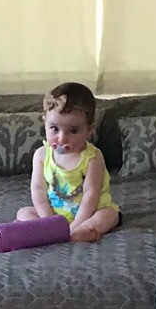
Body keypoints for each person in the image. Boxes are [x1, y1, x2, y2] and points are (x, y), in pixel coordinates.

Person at [19, 81, 121, 244]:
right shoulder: (41, 155)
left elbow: (91, 195)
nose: (61, 138)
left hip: (88, 213)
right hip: (54, 213)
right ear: (44, 122)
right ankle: (48, 231)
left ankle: (81, 232)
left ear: (89, 130)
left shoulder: (93, 158)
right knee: (23, 213)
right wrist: (48, 220)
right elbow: (38, 189)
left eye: (73, 131)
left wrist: (76, 224)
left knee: (109, 215)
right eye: (54, 128)